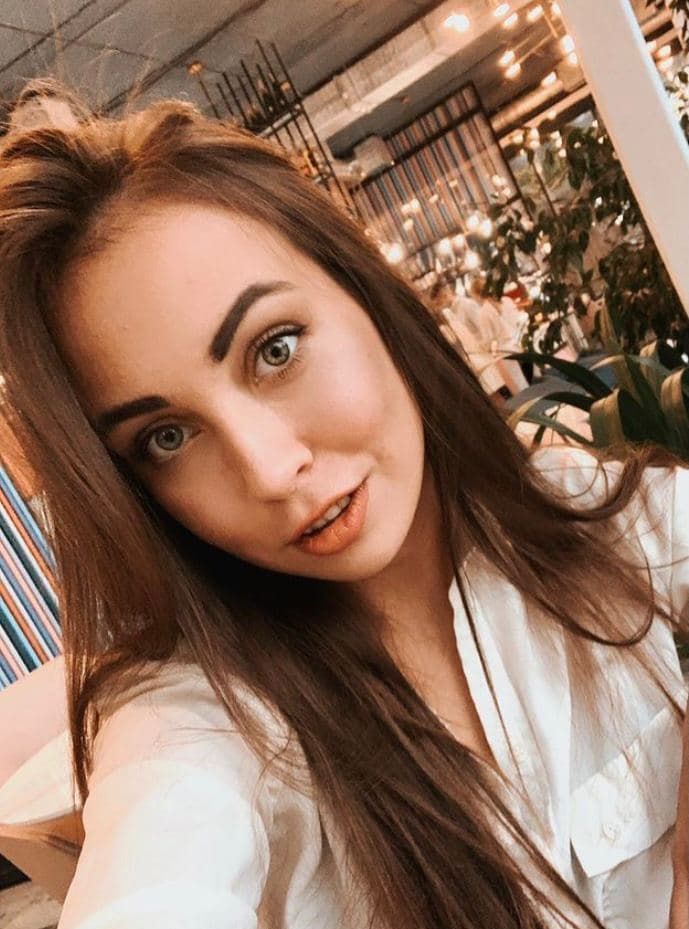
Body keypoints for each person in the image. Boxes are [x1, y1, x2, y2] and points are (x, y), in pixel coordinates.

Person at [0, 93, 687, 929]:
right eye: (167, 437)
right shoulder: (203, 722)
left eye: (275, 349)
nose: (269, 469)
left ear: (366, 293)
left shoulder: (589, 518)